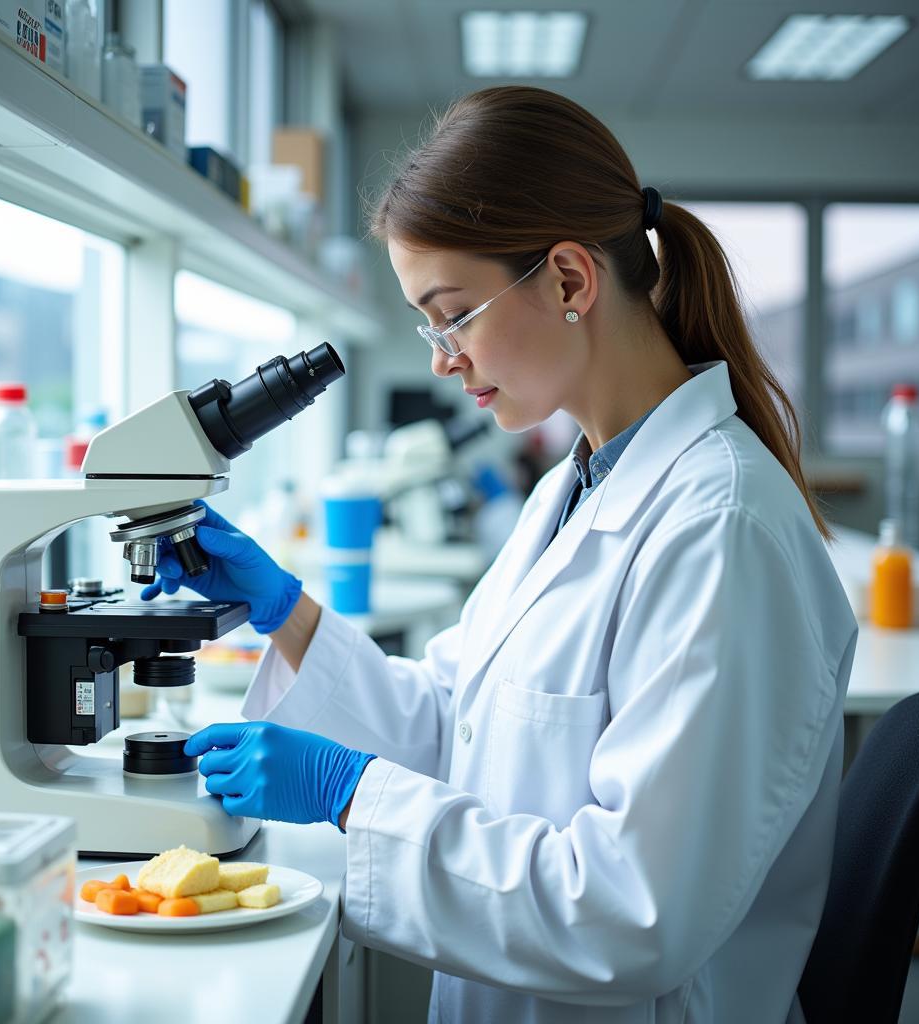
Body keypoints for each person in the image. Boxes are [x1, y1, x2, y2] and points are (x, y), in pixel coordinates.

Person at [143, 87, 857, 1024]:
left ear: (568, 280)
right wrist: (290, 614)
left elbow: (632, 913)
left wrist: (350, 791)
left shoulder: (721, 529)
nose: (442, 358)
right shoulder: (580, 486)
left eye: (453, 315)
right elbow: (464, 728)